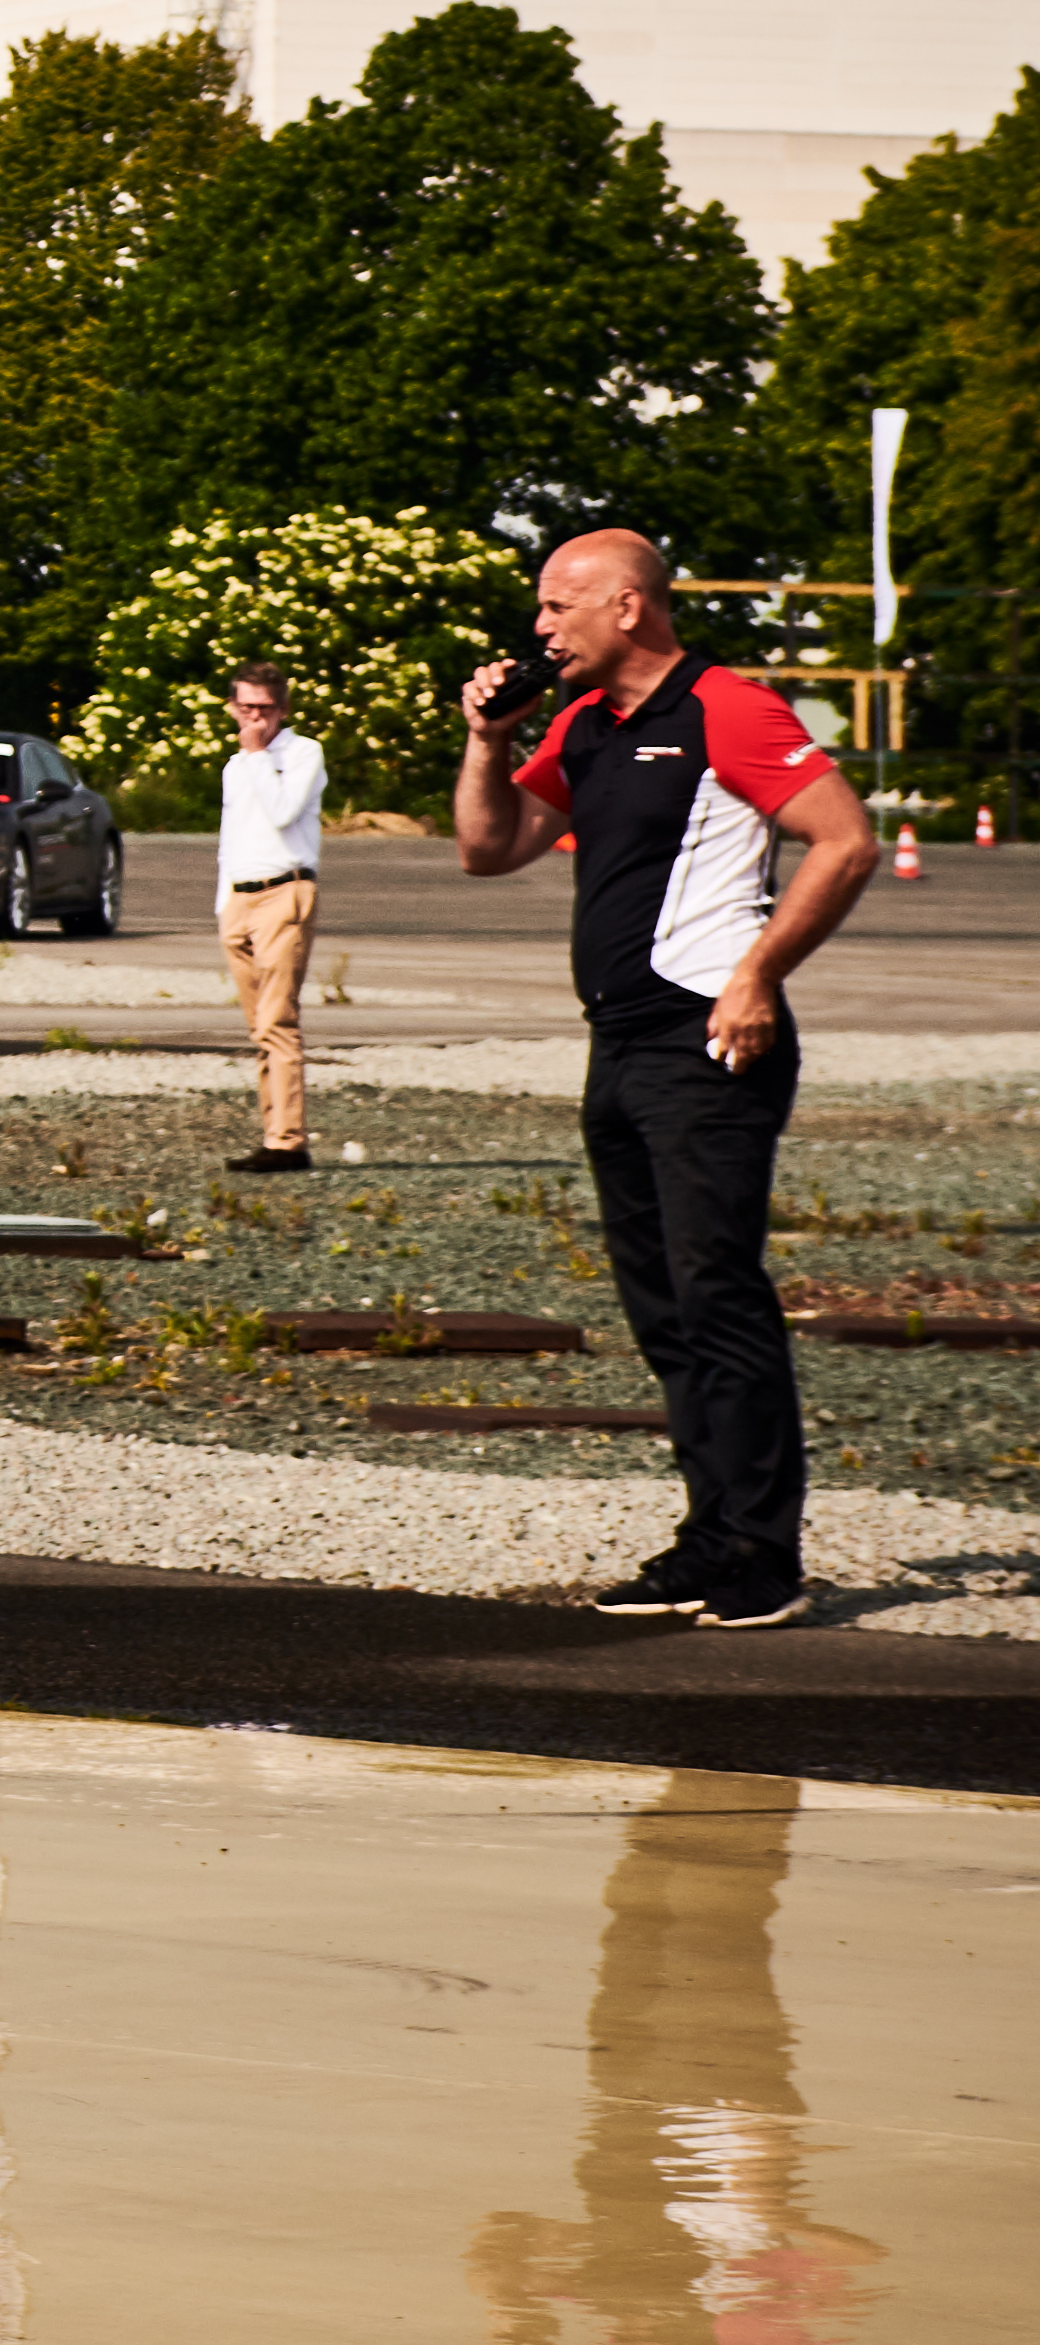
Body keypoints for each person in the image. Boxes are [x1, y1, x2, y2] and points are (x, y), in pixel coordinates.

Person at [458, 528, 881, 1626]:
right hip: (618, 1042)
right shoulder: (583, 728)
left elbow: (844, 841)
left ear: (628, 608)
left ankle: (763, 1554)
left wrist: (755, 976)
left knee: (716, 1289)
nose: (541, 627)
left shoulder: (724, 709)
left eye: (559, 607)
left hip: (709, 1040)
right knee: (660, 1307)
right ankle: (708, 1535)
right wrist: (484, 741)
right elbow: (486, 848)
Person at [212, 661, 330, 1175]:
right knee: (258, 1025)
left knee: (278, 1020)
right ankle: (273, 1133)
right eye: (245, 707)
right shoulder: (236, 765)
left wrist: (259, 754)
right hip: (239, 895)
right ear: (232, 706)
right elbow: (233, 835)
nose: (254, 717)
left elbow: (283, 811)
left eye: (264, 708)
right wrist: (223, 903)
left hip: (285, 891)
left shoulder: (301, 753)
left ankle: (288, 1140)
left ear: (281, 709)